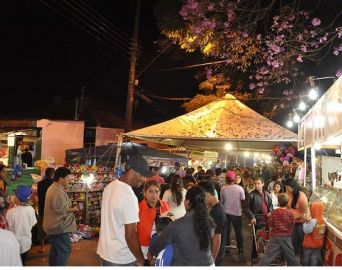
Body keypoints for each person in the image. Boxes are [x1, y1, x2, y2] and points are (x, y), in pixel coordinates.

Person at [97, 155, 153, 266]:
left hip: (106, 253)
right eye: (141, 175)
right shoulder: (128, 196)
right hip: (121, 258)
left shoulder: (109, 187)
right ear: (132, 171)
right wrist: (141, 259)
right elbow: (131, 234)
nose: (144, 179)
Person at [150, 187, 215, 266]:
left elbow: (157, 249)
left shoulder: (176, 225)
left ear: (187, 202)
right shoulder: (210, 223)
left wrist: (154, 237)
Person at [43, 167, 77, 266]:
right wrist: (74, 209)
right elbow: (60, 209)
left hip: (54, 226)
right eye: (67, 178)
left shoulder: (55, 188)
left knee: (56, 251)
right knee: (64, 250)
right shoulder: (56, 190)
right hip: (58, 227)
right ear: (61, 178)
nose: (69, 180)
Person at [259, 193, 299, 266]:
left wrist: (271, 234)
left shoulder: (274, 213)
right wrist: (289, 233)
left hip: (275, 236)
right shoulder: (290, 213)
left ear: (278, 202)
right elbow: (292, 224)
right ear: (287, 203)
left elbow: (271, 224)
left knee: (268, 255)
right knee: (291, 256)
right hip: (286, 237)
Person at [137, 181, 171, 261]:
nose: (154, 194)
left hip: (162, 245)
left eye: (156, 191)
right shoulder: (138, 208)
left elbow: (171, 223)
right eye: (150, 191)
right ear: (144, 193)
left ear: (160, 193)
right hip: (143, 247)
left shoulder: (165, 205)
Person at [6, 185, 37, 266]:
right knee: (22, 262)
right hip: (26, 242)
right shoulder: (31, 209)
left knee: (14, 263)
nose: (14, 197)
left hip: (14, 243)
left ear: (18, 198)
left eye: (15, 196)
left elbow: (7, 228)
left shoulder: (11, 212)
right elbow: (33, 224)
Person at [198, 181, 227, 266]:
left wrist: (212, 261)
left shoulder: (216, 212)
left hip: (214, 255)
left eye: (202, 196)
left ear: (207, 194)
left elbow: (217, 240)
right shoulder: (214, 207)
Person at [245, 177, 273, 262]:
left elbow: (271, 205)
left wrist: (270, 212)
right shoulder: (251, 195)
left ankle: (267, 255)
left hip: (267, 219)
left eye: (258, 183)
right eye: (255, 184)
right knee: (257, 237)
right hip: (257, 219)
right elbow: (246, 208)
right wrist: (252, 217)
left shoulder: (267, 194)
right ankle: (254, 256)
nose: (256, 185)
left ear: (263, 184)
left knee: (268, 237)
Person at [221, 170, 245, 255]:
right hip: (237, 213)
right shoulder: (240, 188)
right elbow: (243, 199)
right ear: (234, 178)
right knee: (238, 231)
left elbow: (222, 201)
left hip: (226, 213)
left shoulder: (223, 189)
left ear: (226, 179)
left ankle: (226, 248)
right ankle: (241, 249)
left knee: (226, 231)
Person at [285, 176, 309, 256]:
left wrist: (295, 216)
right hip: (292, 222)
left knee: (302, 240)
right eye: (286, 188)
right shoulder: (288, 193)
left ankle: (303, 258)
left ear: (293, 187)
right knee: (292, 241)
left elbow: (305, 213)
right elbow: (287, 206)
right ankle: (292, 259)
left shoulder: (302, 197)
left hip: (301, 222)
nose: (286, 190)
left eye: (288, 188)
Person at [302, 202, 326, 266]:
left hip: (309, 246)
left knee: (306, 261)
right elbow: (320, 233)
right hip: (318, 245)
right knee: (314, 261)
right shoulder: (323, 220)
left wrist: (305, 222)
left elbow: (306, 231)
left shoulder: (313, 221)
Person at [37, 167, 55, 253]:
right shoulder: (54, 184)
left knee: (41, 228)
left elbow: (39, 196)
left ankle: (42, 247)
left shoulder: (40, 183)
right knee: (52, 227)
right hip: (51, 209)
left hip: (42, 208)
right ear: (52, 174)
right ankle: (53, 246)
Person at [0, 164, 9, 229]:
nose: (5, 173)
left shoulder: (2, 181)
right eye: (3, 171)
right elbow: (4, 195)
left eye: (6, 171)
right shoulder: (1, 182)